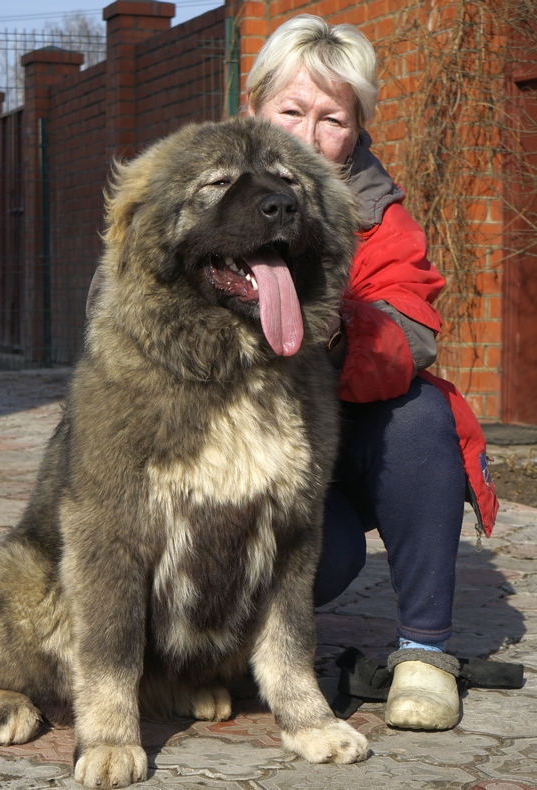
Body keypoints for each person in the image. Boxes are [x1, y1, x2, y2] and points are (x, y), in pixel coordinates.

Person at [245, 15, 498, 731]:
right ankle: (223, 644)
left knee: (422, 416)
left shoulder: (376, 212)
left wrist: (334, 334)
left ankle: (425, 653)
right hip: (238, 443)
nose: (308, 133)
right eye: (291, 110)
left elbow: (411, 329)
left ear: (355, 131)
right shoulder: (200, 181)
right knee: (324, 557)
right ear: (253, 106)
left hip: (341, 434)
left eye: (332, 118)